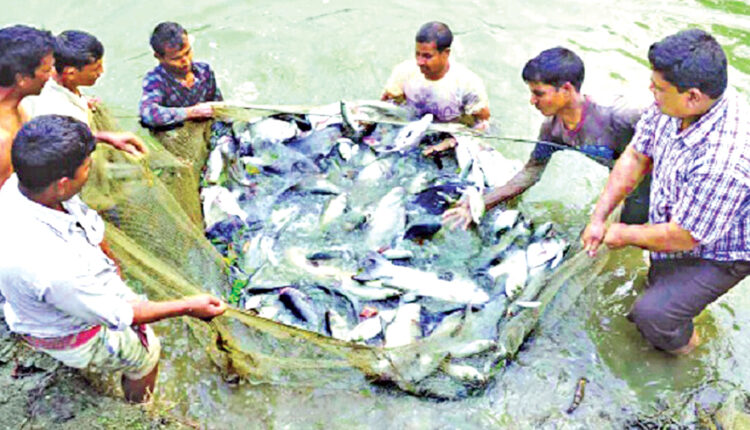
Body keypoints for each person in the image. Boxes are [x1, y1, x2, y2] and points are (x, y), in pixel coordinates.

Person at [0, 115, 227, 402]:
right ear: (62, 183)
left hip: (66, 293)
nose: (91, 167)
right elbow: (121, 314)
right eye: (86, 166)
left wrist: (105, 138)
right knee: (147, 354)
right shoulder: (51, 267)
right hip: (69, 331)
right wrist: (189, 306)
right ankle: (140, 407)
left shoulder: (19, 187)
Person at [582, 29, 750, 355]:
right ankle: (679, 307)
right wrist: (599, 217)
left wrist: (625, 233)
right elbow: (636, 155)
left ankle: (689, 354)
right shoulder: (669, 106)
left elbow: (685, 237)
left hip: (724, 249)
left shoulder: (724, 160)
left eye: (659, 88)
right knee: (660, 280)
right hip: (683, 220)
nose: (651, 91)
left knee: (653, 316)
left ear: (693, 96)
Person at [443, 47, 650, 230]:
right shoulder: (553, 131)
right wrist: (482, 203)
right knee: (623, 226)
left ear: (567, 89)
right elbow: (531, 171)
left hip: (660, 173)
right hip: (630, 182)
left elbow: (672, 120)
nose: (532, 101)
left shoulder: (620, 113)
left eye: (539, 93)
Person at [21, 30, 147, 155]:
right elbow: (61, 146)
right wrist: (104, 138)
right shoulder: (62, 111)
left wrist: (81, 100)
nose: (101, 72)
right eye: (96, 69)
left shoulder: (40, 74)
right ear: (71, 73)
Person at [381, 21, 490, 155]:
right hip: (411, 130)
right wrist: (398, 101)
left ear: (445, 54)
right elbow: (383, 108)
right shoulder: (403, 72)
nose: (420, 62)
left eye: (427, 56)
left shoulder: (468, 84)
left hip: (448, 137)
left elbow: (481, 126)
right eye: (417, 54)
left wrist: (450, 142)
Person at [139, 21, 231, 145]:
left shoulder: (204, 71)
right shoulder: (155, 80)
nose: (186, 62)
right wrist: (191, 112)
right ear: (159, 57)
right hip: (176, 139)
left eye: (187, 53)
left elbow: (219, 106)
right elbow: (148, 113)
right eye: (176, 58)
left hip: (205, 131)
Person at [0, 25, 55, 189]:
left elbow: (39, 144)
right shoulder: (2, 141)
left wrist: (98, 137)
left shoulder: (15, 106)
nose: (52, 74)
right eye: (46, 70)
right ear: (22, 79)